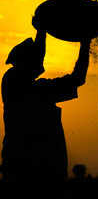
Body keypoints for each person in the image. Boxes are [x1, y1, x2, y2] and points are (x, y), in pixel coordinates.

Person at [1, 16, 92, 183]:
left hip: (19, 165)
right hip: (40, 169)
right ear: (26, 62)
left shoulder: (12, 81)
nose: (40, 60)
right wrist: (85, 45)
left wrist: (41, 32)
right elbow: (78, 78)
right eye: (34, 58)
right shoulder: (35, 90)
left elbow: (36, 58)